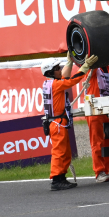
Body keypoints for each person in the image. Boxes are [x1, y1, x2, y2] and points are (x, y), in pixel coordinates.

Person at [41, 54, 97, 190]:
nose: (60, 70)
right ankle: (56, 179)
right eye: (57, 68)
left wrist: (69, 62)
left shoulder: (51, 83)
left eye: (59, 67)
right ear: (50, 72)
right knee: (59, 153)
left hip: (57, 123)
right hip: (57, 124)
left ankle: (61, 178)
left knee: (65, 153)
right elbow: (72, 80)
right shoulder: (56, 85)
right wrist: (85, 66)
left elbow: (65, 77)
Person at [84, 64, 109, 183]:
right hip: (95, 111)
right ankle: (99, 172)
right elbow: (90, 66)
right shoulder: (93, 70)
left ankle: (106, 170)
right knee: (97, 142)